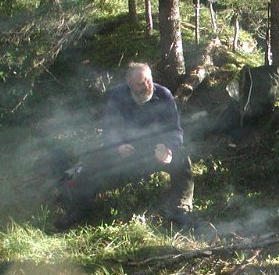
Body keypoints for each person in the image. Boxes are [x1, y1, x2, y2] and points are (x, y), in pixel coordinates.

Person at [56, 62, 195, 230]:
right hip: (126, 152)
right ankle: (79, 210)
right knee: (92, 163)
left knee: (182, 157)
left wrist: (168, 149)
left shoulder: (164, 95)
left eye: (148, 81)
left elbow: (175, 131)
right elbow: (109, 130)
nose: (146, 86)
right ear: (129, 85)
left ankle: (181, 209)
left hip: (156, 152)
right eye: (140, 83)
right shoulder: (117, 96)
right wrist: (117, 147)